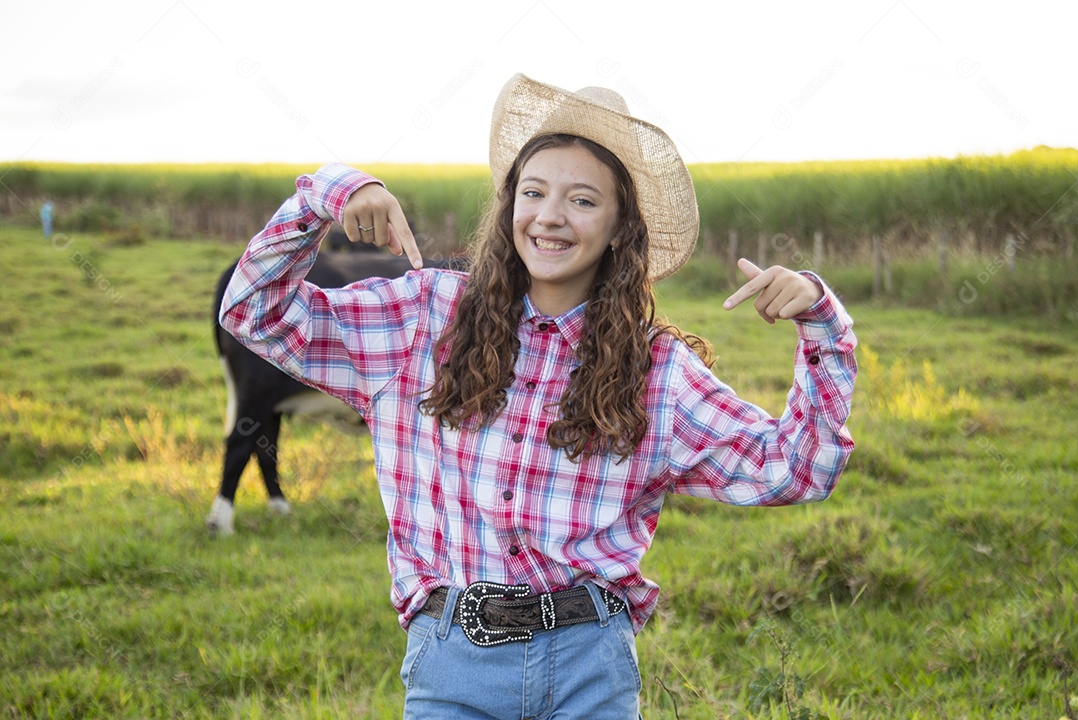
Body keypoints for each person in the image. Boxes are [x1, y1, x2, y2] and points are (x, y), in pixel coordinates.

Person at [219, 73, 857, 719]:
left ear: (618, 227)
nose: (549, 216)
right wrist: (331, 191)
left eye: (582, 200)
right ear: (510, 207)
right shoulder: (423, 318)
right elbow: (253, 313)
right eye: (533, 192)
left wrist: (822, 326)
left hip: (591, 670)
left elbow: (799, 469)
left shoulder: (657, 370)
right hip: (452, 665)